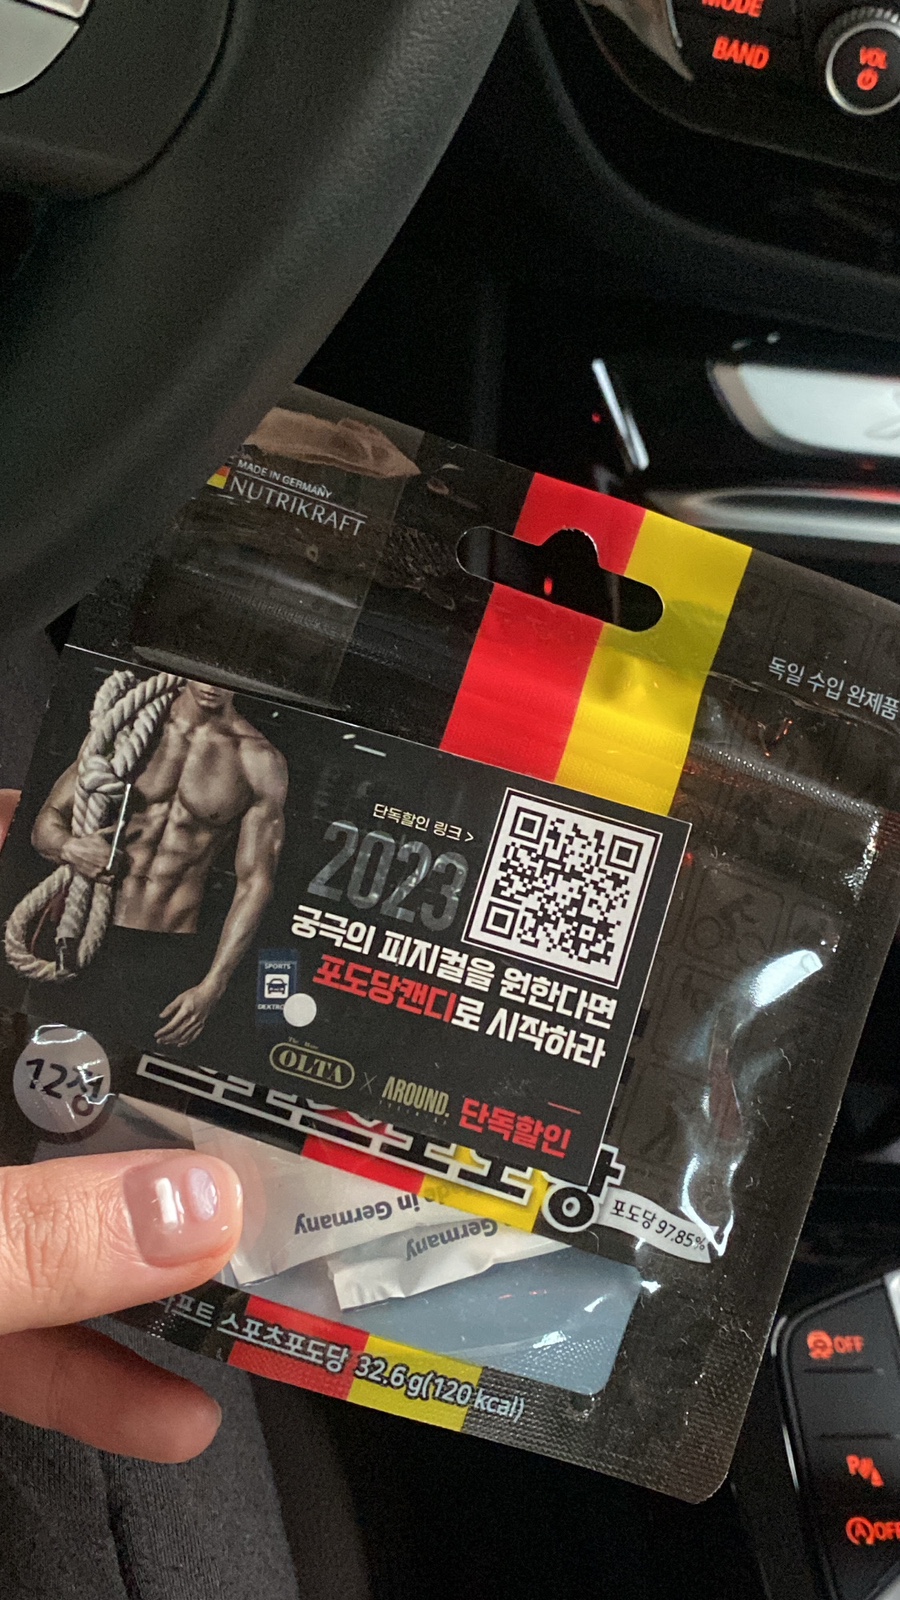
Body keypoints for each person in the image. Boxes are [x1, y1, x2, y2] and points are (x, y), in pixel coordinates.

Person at [29, 678, 288, 1052]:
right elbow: (47, 821)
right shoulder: (127, 728)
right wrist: (70, 847)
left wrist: (214, 983)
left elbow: (256, 883)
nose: (213, 685)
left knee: (124, 1068)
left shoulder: (259, 760)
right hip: (82, 928)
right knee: (38, 1054)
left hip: (165, 951)